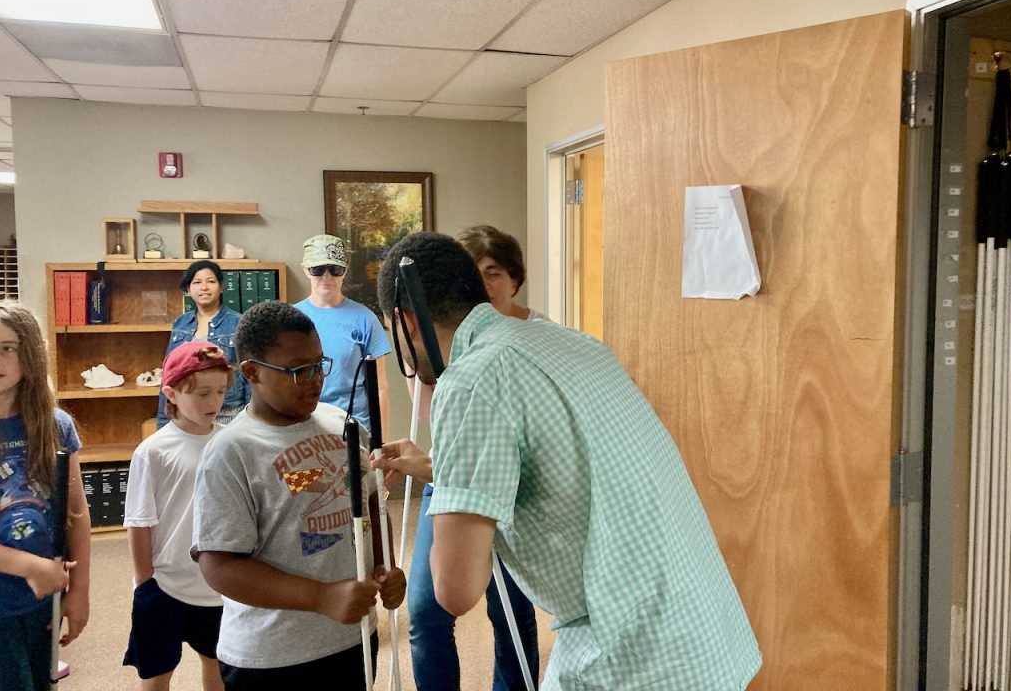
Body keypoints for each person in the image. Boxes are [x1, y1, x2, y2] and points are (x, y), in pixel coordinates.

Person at [374, 233, 762, 690]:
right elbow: (562, 464)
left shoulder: (472, 379)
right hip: (707, 634)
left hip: (630, 657)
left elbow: (455, 591)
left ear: (406, 322)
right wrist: (443, 467)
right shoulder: (573, 344)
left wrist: (448, 503)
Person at [192, 300, 405, 690]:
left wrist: (384, 563)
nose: (314, 379)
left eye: (318, 364)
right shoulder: (231, 452)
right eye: (297, 370)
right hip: (272, 657)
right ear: (252, 373)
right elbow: (219, 564)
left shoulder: (341, 424)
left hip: (351, 637)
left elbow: (371, 499)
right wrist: (321, 596)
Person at [403, 225, 544, 691]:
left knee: (510, 608)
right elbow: (438, 426)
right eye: (474, 274)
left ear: (515, 279)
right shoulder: (435, 346)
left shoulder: (540, 336)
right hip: (446, 478)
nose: (484, 285)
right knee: (424, 609)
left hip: (513, 490)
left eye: (494, 273)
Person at [123, 341, 232, 691]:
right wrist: (145, 581)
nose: (213, 402)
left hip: (217, 586)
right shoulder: (153, 451)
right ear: (170, 394)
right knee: (156, 674)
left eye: (219, 392)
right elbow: (139, 522)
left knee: (218, 666)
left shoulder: (229, 443)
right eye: (201, 393)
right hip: (164, 586)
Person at [0, 301, 91, 690]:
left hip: (42, 599)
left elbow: (76, 512)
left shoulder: (56, 425)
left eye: (7, 347)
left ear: (30, 353)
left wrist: (80, 591)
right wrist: (30, 567)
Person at [294, 234, 391, 438]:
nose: (327, 277)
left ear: (344, 272)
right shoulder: (291, 319)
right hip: (305, 427)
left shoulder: (365, 319)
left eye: (335, 270)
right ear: (305, 270)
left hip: (355, 429)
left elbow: (380, 387)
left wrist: (381, 442)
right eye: (318, 269)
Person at [157, 261, 247, 427]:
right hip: (186, 415)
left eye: (211, 281)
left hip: (229, 414)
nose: (204, 287)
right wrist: (163, 422)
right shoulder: (180, 324)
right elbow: (169, 374)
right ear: (188, 289)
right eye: (197, 282)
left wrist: (251, 422)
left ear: (221, 287)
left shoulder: (239, 323)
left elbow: (249, 374)